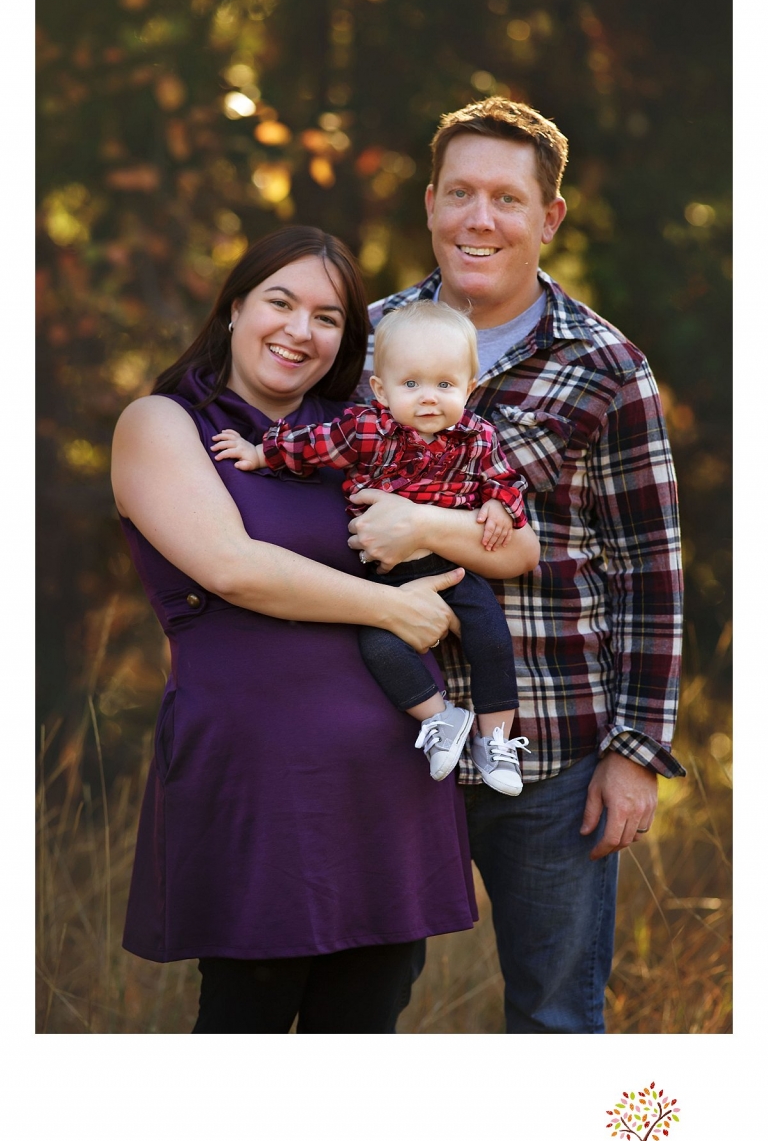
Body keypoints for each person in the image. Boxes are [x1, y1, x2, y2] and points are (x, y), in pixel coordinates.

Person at [110, 224, 539, 1034]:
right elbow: (233, 568)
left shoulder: (369, 429)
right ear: (235, 307)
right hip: (262, 779)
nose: (300, 331)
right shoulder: (165, 425)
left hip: (393, 775)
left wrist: (426, 522)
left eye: (328, 317)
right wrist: (391, 606)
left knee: (367, 1024)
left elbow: (521, 548)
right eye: (280, 301)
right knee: (250, 1019)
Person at [348, 99, 686, 1034]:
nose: (478, 219)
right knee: (355, 1010)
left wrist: (635, 751)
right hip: (382, 736)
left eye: (505, 197)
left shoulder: (605, 365)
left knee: (554, 1017)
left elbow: (649, 570)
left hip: (552, 749)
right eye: (459, 193)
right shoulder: (363, 340)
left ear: (549, 218)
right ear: (429, 204)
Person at [210, 300, 536, 795]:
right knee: (379, 647)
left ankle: (496, 743)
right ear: (382, 390)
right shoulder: (365, 430)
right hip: (386, 575)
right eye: (411, 385)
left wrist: (499, 506)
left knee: (491, 638)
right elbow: (310, 445)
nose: (429, 398)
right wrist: (260, 452)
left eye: (445, 385)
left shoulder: (478, 438)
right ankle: (442, 719)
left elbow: (506, 482)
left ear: (469, 388)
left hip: (454, 569)